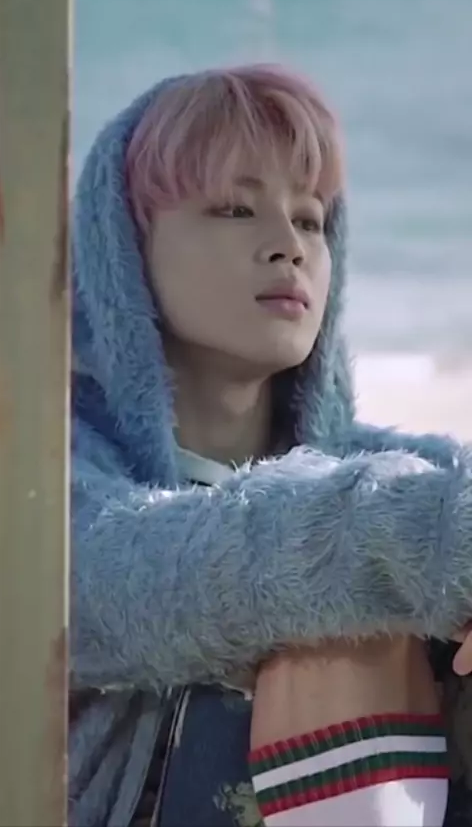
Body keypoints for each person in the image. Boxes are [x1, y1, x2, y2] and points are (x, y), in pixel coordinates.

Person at [70, 64, 472, 827]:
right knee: (336, 638)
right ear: (123, 247)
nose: (288, 245)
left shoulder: (402, 472)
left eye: (312, 220)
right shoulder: (53, 474)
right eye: (234, 208)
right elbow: (136, 579)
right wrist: (430, 542)